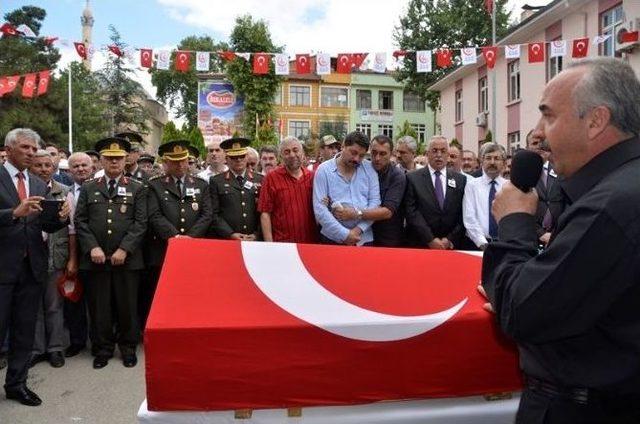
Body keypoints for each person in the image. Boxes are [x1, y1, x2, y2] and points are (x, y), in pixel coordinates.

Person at [481, 58, 640, 423]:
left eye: (549, 116)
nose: (538, 133)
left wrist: (515, 222)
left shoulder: (611, 206)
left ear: (596, 120)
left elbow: (521, 311)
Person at [0, 128, 70, 406]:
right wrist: (13, 214)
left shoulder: (40, 184)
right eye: (26, 148)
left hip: (32, 269)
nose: (31, 153)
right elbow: (18, 216)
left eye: (34, 148)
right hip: (3, 268)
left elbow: (44, 224)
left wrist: (61, 218)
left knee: (24, 331)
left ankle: (17, 384)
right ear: (9, 148)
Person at [74, 137, 147, 369]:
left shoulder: (138, 188)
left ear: (126, 159)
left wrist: (124, 249)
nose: (114, 162)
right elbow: (80, 220)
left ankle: (128, 348)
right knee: (100, 307)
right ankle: (102, 349)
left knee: (127, 307)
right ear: (101, 161)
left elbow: (141, 223)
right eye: (109, 158)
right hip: (96, 259)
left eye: (118, 158)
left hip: (127, 260)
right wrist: (92, 247)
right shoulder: (88, 187)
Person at [144, 140, 212, 327]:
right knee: (163, 293)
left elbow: (207, 215)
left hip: (193, 248)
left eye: (184, 160)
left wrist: (190, 238)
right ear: (166, 162)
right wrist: (175, 237)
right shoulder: (155, 186)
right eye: (175, 161)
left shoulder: (201, 184)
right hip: (164, 249)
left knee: (191, 291)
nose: (180, 165)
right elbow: (154, 215)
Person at [29, 150, 72, 369]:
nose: (44, 169)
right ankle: (37, 350)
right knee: (33, 306)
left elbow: (72, 228)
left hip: (56, 255)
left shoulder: (64, 191)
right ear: (30, 167)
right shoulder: (24, 191)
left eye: (47, 165)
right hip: (30, 256)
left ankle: (55, 348)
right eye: (39, 165)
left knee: (54, 305)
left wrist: (71, 259)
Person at [313, 131, 380, 246]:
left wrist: (357, 230)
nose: (357, 159)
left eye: (362, 155)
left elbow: (375, 203)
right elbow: (320, 209)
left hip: (363, 238)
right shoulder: (324, 170)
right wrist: (344, 234)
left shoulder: (369, 169)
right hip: (332, 239)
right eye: (353, 153)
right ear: (343, 146)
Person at [405, 136, 467, 249]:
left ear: (448, 155)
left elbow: (463, 213)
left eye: (443, 151)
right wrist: (430, 239)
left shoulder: (460, 180)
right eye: (434, 151)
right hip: (421, 244)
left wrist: (450, 239)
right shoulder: (413, 178)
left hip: (449, 246)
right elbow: (411, 212)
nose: (438, 155)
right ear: (427, 154)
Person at [258, 136, 317, 243]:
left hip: (310, 243)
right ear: (281, 156)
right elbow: (265, 213)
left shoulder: (313, 177)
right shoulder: (271, 178)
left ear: (302, 153)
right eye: (287, 152)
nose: (292, 155)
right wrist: (269, 245)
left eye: (295, 150)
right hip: (282, 244)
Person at [63, 152, 94, 358]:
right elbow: (71, 229)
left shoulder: (100, 188)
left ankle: (99, 338)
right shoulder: (65, 193)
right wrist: (73, 259)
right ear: (69, 170)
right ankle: (77, 341)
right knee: (74, 299)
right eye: (76, 166)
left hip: (98, 252)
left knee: (98, 300)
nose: (81, 169)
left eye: (84, 165)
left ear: (91, 167)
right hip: (74, 252)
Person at [209, 138, 263, 240]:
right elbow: (214, 214)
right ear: (227, 159)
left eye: (241, 156)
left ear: (247, 157)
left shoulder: (260, 179)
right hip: (228, 239)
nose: (238, 160)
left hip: (254, 239)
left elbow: (264, 212)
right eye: (234, 157)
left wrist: (257, 234)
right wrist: (230, 234)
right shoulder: (216, 181)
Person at [462, 143, 507, 250]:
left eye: (497, 158)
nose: (492, 162)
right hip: (477, 245)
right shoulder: (472, 185)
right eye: (488, 158)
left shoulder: (509, 187)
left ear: (504, 163)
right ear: (481, 162)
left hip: (504, 245)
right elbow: (469, 218)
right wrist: (482, 243)